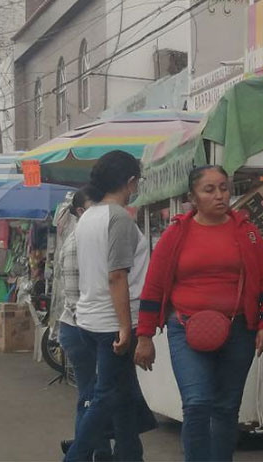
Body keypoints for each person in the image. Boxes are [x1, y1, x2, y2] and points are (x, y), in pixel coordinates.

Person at [134, 166, 263, 462]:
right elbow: (153, 286)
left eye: (224, 188)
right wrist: (144, 336)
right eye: (209, 190)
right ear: (193, 197)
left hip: (240, 330)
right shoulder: (176, 234)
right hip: (185, 330)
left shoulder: (248, 233)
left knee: (226, 408)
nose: (219, 195)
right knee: (197, 404)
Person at [64, 151, 151, 462]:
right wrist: (126, 327)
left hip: (90, 319)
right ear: (129, 182)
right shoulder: (118, 218)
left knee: (122, 397)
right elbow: (117, 276)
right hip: (111, 323)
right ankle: (75, 456)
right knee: (104, 398)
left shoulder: (88, 216)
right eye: (136, 181)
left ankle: (130, 456)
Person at [53, 190, 114, 461]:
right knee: (92, 395)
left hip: (89, 327)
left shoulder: (92, 237)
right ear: (79, 211)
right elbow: (74, 297)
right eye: (93, 206)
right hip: (81, 330)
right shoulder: (77, 241)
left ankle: (97, 451)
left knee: (96, 394)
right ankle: (83, 453)